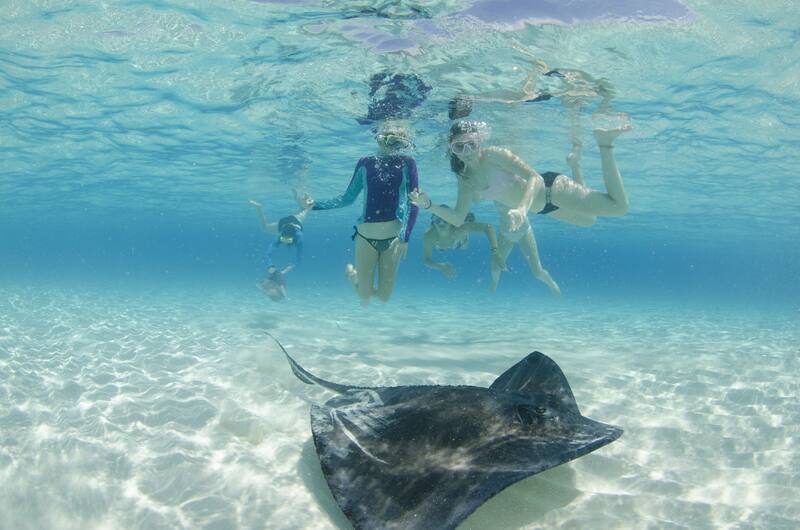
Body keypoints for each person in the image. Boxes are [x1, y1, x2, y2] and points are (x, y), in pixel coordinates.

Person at [409, 120, 630, 295]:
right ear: (452, 150)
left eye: (471, 144)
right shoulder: (465, 178)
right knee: (589, 221)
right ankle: (575, 164)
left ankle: (605, 143)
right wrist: (429, 205)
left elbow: (534, 177)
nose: (467, 151)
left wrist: (523, 209)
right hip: (545, 208)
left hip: (553, 190)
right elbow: (458, 218)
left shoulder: (495, 154)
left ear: (480, 142)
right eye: (459, 146)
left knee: (618, 207)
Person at [310, 123, 419, 305]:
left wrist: (405, 237)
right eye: (387, 139)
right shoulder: (365, 162)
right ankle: (354, 277)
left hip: (394, 240)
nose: (390, 146)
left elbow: (414, 202)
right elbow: (347, 198)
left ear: (402, 144)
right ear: (379, 138)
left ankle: (358, 280)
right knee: (364, 297)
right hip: (366, 239)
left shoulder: (408, 163)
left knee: (384, 298)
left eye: (396, 142)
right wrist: (314, 205)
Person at [423, 209, 505, 280]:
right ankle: (466, 220)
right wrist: (441, 266)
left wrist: (495, 252)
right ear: (433, 221)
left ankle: (467, 221)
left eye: (445, 219)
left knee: (464, 238)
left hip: (459, 242)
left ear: (451, 219)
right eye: (437, 219)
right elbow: (426, 260)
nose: (441, 223)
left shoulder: (459, 229)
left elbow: (488, 227)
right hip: (440, 246)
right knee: (445, 245)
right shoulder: (429, 236)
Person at [248, 191, 314, 267]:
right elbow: (299, 252)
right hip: (294, 221)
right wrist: (296, 263)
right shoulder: (297, 236)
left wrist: (270, 265)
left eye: (283, 239)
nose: (285, 241)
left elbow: (268, 254)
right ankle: (302, 198)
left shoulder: (281, 236)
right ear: (293, 238)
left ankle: (299, 197)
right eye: (287, 240)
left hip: (285, 223)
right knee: (307, 208)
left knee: (305, 209)